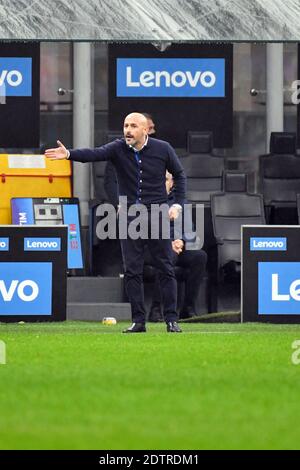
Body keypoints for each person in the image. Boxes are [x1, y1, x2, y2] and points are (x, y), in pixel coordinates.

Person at [45, 112, 186, 333]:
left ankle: (171, 320)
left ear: (145, 130)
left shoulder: (163, 148)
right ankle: (138, 321)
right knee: (132, 270)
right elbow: (94, 154)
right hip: (130, 214)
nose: (127, 130)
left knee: (165, 268)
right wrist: (69, 154)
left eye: (133, 126)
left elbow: (180, 175)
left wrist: (177, 204)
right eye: (125, 125)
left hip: (157, 212)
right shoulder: (118, 148)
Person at [148, 172, 207, 322]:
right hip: (156, 247)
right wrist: (169, 242)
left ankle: (188, 309)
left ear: (172, 183)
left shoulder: (181, 203)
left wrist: (182, 241)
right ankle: (156, 309)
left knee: (200, 256)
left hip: (178, 247)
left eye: (167, 180)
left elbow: (190, 229)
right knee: (166, 256)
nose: (163, 183)